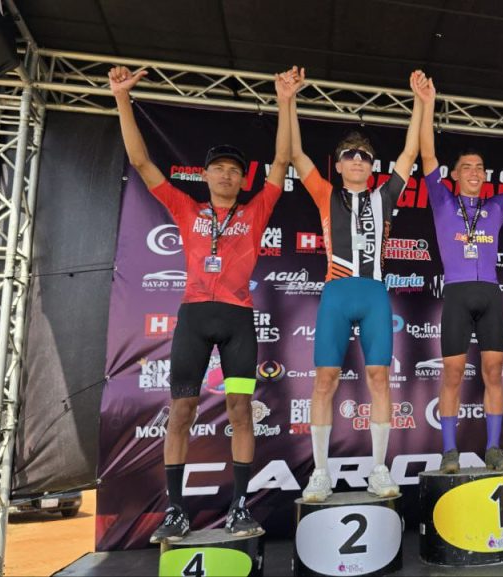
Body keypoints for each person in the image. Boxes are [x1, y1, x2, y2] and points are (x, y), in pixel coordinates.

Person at [110, 65, 293, 542]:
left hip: (237, 320)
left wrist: (285, 100)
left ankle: (239, 508)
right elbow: (141, 162)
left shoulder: (255, 212)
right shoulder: (186, 209)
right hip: (194, 317)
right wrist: (123, 98)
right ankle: (175, 511)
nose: (227, 175)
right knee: (181, 410)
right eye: (219, 168)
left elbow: (280, 162)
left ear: (242, 179)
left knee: (240, 409)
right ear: (206, 174)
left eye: (234, 170)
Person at [286, 69, 427, 502]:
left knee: (379, 377)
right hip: (336, 292)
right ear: (339, 163)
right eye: (349, 155)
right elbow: (295, 154)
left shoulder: (384, 196)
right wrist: (287, 100)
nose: (357, 160)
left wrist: (421, 102)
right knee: (324, 380)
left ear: (371, 165)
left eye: (364, 156)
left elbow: (410, 151)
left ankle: (379, 469)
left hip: (373, 294)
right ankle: (320, 473)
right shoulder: (326, 193)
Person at [418, 78, 503, 473]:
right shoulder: (442, 200)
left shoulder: (496, 207)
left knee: (493, 373)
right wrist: (427, 104)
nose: (474, 172)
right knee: (453, 373)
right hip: (458, 294)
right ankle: (449, 452)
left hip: (490, 295)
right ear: (455, 174)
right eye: (467, 168)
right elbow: (427, 154)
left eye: (479, 168)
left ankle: (493, 448)